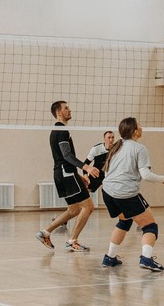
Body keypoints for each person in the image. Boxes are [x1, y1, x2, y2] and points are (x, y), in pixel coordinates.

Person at [100, 117, 164, 272]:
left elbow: (106, 172)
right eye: (140, 124)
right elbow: (146, 175)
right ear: (134, 131)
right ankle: (146, 259)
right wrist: (163, 179)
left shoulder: (116, 147)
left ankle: (110, 258)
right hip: (124, 193)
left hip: (107, 191)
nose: (142, 126)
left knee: (124, 221)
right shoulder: (139, 149)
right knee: (150, 226)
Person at [35, 101, 98, 252]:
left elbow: (63, 158)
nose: (69, 110)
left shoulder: (56, 130)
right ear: (59, 113)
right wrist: (86, 167)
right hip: (66, 173)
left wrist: (77, 175)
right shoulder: (62, 131)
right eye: (66, 108)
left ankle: (45, 233)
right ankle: (72, 240)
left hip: (62, 174)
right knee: (88, 206)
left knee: (74, 210)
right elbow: (66, 155)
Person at [83, 130, 116, 195]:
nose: (111, 140)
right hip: (97, 174)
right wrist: (85, 176)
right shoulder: (96, 149)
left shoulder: (116, 149)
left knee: (112, 194)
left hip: (110, 175)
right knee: (86, 192)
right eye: (109, 137)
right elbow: (85, 164)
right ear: (104, 139)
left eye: (113, 137)